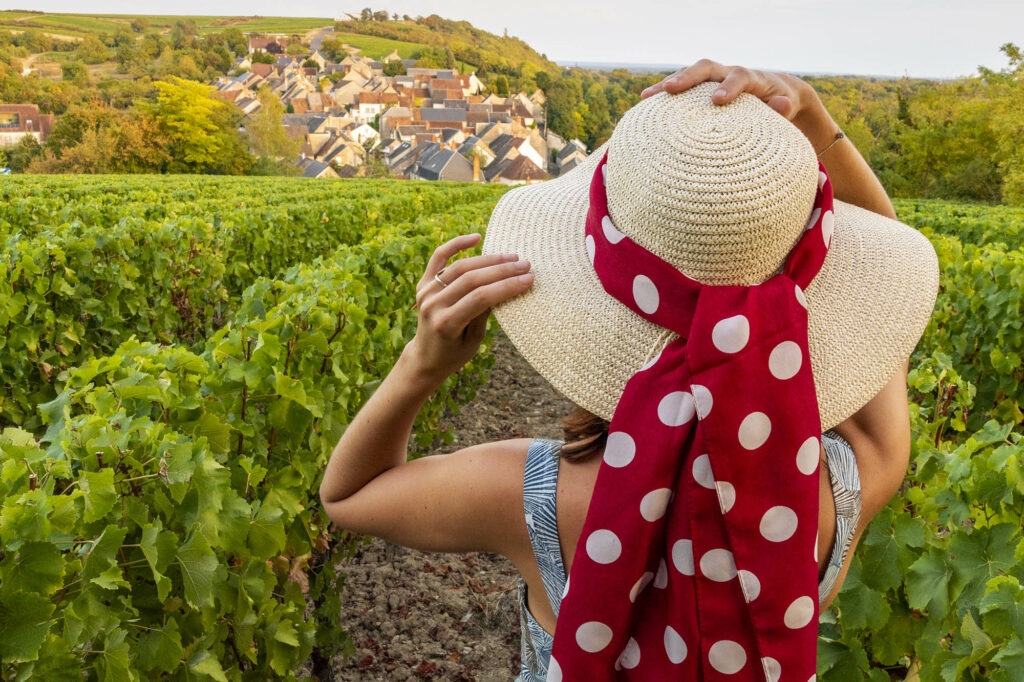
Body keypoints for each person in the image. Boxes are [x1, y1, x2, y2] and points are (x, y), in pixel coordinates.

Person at [319, 59, 938, 680]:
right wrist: (815, 119)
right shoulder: (848, 483)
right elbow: (888, 259)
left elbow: (349, 495)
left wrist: (422, 363)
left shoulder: (529, 498)